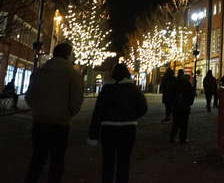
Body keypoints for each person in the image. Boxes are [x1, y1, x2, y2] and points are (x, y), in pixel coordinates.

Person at [24, 42, 84, 183]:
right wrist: (68, 113)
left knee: (37, 159)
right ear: (68, 55)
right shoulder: (72, 74)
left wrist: (38, 110)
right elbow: (75, 100)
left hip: (40, 122)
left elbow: (29, 97)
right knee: (57, 161)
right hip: (60, 124)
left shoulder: (40, 72)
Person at [88, 63, 147, 183]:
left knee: (108, 161)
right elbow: (143, 107)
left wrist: (93, 133)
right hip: (128, 128)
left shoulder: (107, 89)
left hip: (108, 128)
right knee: (124, 161)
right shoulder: (133, 88)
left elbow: (98, 111)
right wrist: (132, 116)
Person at [170, 70, 195, 143]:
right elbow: (191, 94)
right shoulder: (187, 83)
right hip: (185, 106)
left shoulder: (175, 82)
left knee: (175, 123)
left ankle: (172, 137)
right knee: (184, 124)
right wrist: (189, 103)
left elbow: (171, 94)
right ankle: (183, 138)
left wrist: (172, 103)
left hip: (177, 106)